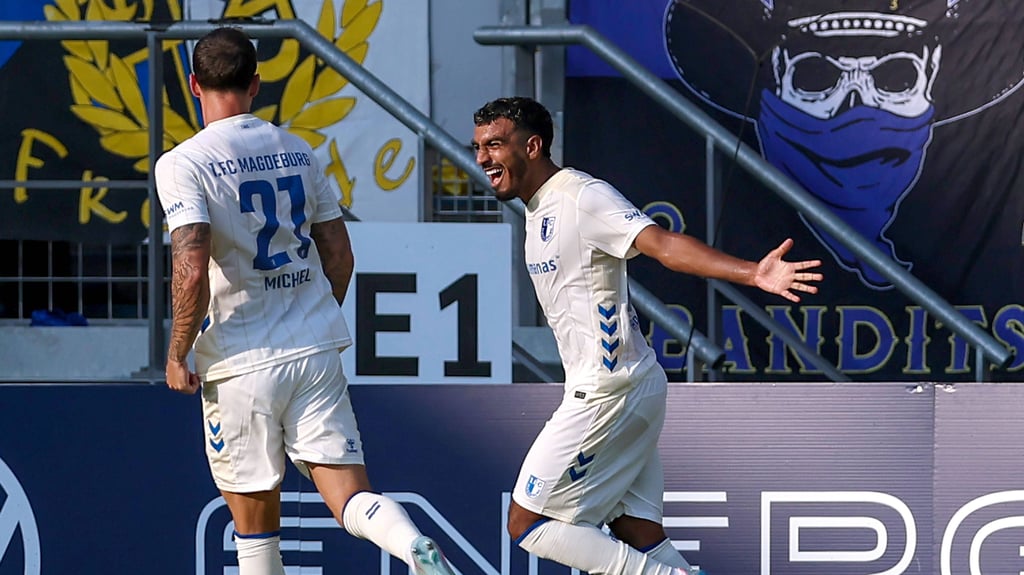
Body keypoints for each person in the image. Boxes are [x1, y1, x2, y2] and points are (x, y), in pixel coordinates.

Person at [471, 97, 824, 575]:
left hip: (607, 392)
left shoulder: (581, 196)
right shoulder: (537, 209)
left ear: (532, 146)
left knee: (528, 523)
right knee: (638, 531)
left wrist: (752, 273)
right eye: (478, 148)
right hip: (629, 387)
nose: (483, 159)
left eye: (495, 146)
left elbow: (662, 245)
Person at [155, 27, 457, 575]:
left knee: (255, 530)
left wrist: (177, 353)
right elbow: (339, 254)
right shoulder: (298, 150)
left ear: (194, 85)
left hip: (239, 358)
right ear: (257, 83)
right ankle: (412, 545)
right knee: (350, 497)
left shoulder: (184, 163)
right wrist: (314, 314)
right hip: (314, 348)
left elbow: (192, 264)